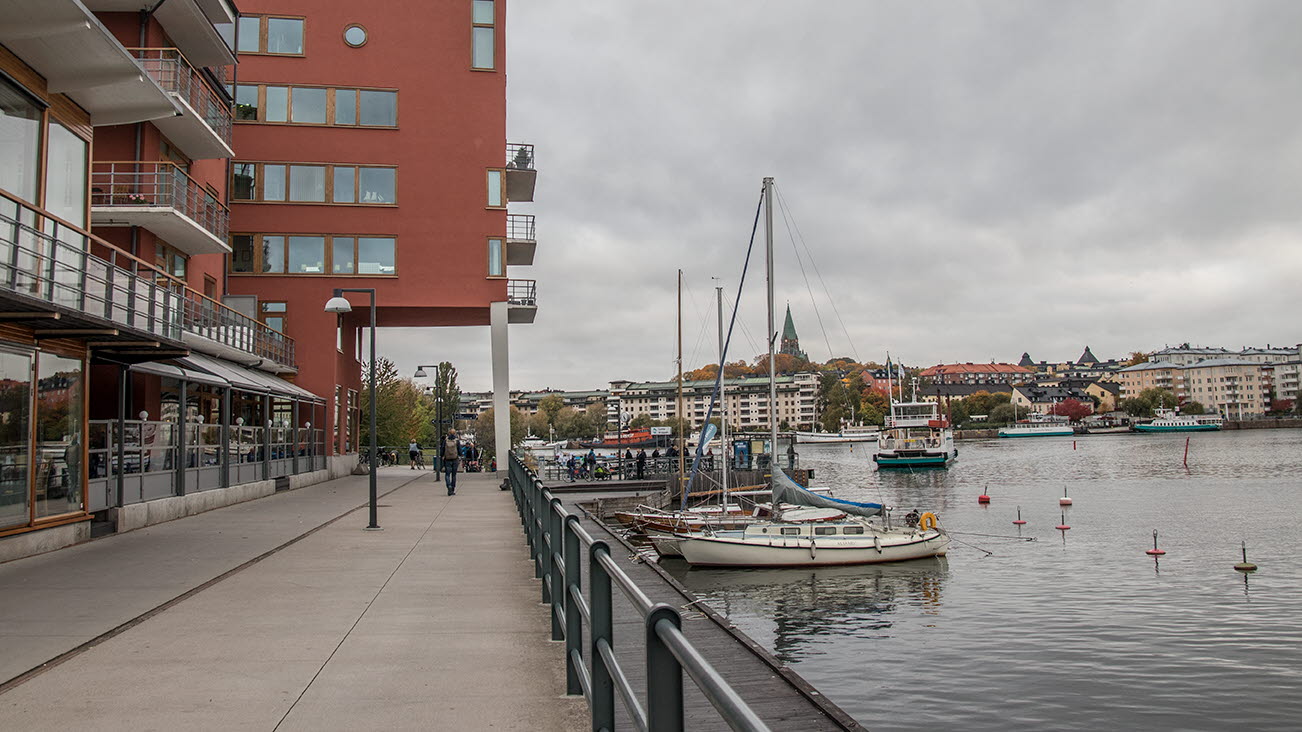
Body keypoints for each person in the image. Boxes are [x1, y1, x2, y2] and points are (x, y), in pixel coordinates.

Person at [442, 430, 459, 495]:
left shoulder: (445, 440)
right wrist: (460, 455)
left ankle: (448, 485)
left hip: (447, 459)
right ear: (455, 433)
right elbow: (459, 450)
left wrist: (442, 455)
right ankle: (452, 488)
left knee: (447, 474)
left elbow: (442, 449)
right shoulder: (456, 440)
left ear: (448, 433)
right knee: (454, 475)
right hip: (455, 459)